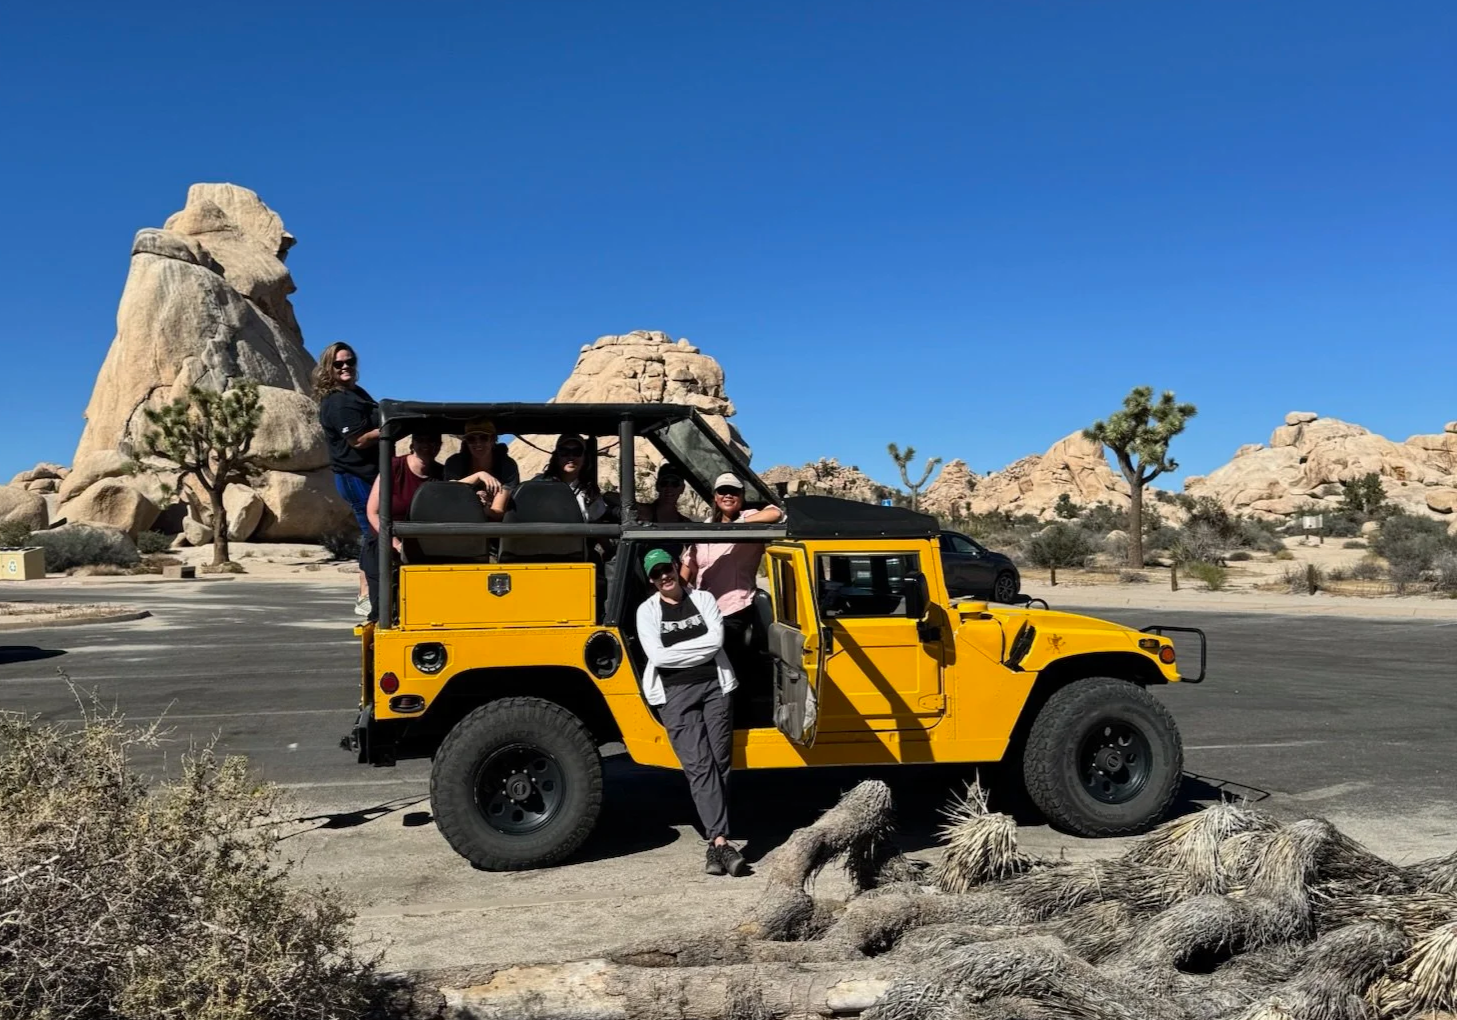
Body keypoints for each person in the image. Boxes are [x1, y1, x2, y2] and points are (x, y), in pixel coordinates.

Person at [636, 547, 748, 878]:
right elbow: (658, 656)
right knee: (699, 766)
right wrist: (687, 652)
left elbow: (715, 643)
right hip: (674, 695)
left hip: (715, 687)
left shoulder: (703, 600)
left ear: (676, 567)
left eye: (666, 569)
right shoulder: (647, 611)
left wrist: (677, 651)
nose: (664, 577)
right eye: (656, 574)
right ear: (651, 580)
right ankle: (721, 840)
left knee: (720, 761)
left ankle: (716, 847)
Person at [680, 473, 784, 685]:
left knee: (727, 667)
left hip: (734, 610)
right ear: (715, 496)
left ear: (742, 496)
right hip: (704, 609)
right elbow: (688, 565)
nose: (728, 495)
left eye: (734, 491)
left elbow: (776, 513)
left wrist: (739, 523)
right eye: (723, 491)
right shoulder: (705, 527)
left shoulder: (750, 519)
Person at [315, 341, 379, 618]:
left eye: (349, 361)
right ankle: (366, 594)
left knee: (377, 532)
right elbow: (357, 440)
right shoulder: (338, 401)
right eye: (338, 364)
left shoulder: (356, 394)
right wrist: (394, 427)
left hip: (370, 475)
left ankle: (375, 590)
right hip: (356, 476)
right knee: (373, 533)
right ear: (329, 368)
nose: (345, 367)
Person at [443, 417, 521, 493]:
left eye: (484, 438)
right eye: (471, 439)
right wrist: (479, 476)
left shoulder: (506, 465)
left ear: (492, 439)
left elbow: (503, 500)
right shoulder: (455, 463)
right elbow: (450, 490)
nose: (478, 443)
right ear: (466, 442)